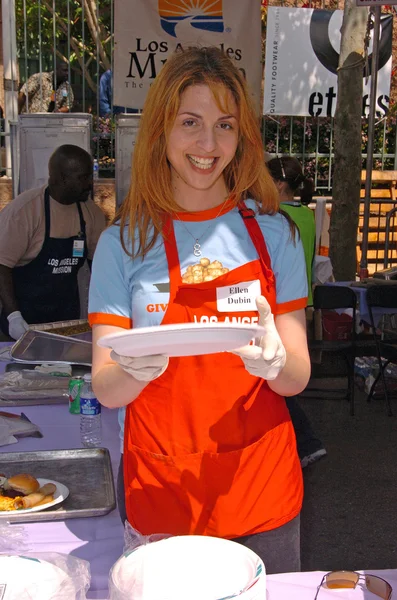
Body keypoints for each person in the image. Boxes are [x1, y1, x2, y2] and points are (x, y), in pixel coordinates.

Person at [89, 47, 311, 574]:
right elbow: (105, 386)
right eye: (190, 122)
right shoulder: (124, 243)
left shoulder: (273, 234)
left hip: (260, 488)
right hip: (164, 491)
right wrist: (130, 370)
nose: (208, 145)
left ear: (243, 138)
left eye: (225, 125)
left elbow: (298, 376)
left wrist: (277, 363)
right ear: (162, 129)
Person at [0, 144, 106, 340]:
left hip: (66, 323)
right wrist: (14, 316)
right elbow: (2, 265)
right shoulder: (24, 212)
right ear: (62, 178)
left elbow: (99, 268)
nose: (90, 183)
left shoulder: (92, 214)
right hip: (22, 322)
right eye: (83, 177)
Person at [267, 155, 327, 468]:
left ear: (278, 184)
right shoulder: (306, 214)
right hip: (302, 302)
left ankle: (304, 443)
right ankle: (303, 443)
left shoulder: (274, 219)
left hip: (280, 306)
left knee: (277, 380)